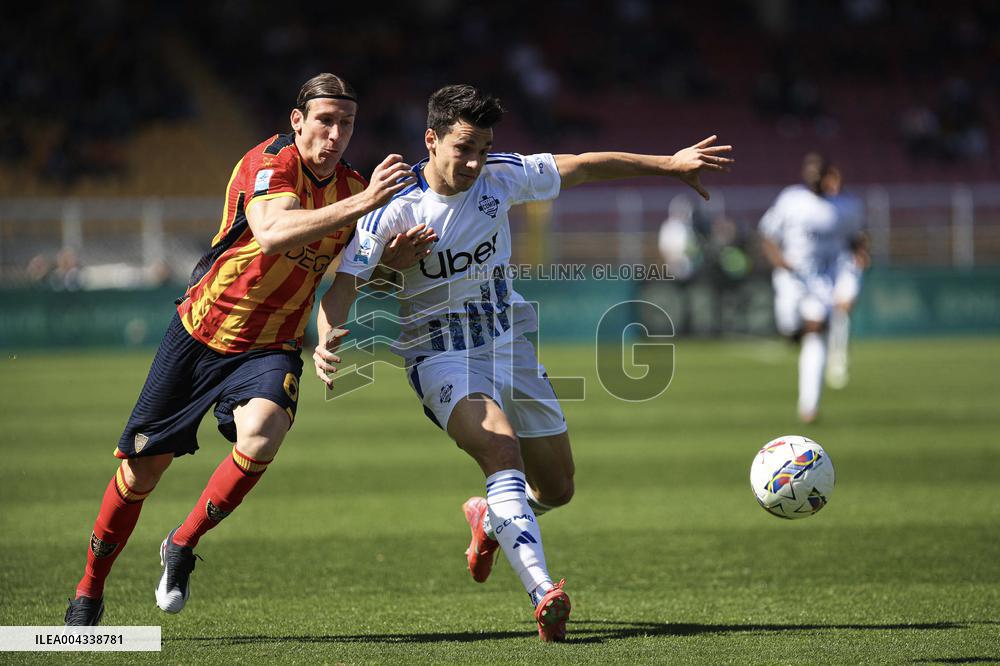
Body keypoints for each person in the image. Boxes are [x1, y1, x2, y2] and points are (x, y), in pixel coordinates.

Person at [312, 84, 733, 642]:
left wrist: (670, 164)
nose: (474, 162)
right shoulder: (392, 204)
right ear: (431, 140)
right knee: (501, 449)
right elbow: (344, 284)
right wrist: (327, 336)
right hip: (440, 354)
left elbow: (583, 165)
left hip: (509, 345)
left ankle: (491, 518)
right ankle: (544, 593)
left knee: (557, 489)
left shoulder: (500, 176)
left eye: (483, 148)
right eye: (463, 148)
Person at [64, 73, 436, 626]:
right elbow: (272, 232)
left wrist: (389, 265)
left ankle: (182, 542)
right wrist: (366, 203)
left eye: (347, 123)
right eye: (325, 121)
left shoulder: (354, 188)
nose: (336, 134)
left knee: (262, 432)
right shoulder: (271, 162)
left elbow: (347, 276)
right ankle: (89, 592)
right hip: (201, 333)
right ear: (297, 121)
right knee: (142, 474)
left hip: (272, 345)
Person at [759, 154, 866, 423]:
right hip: (791, 278)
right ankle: (792, 334)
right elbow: (767, 235)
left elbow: (856, 240)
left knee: (816, 330)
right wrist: (779, 261)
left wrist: (858, 264)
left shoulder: (846, 207)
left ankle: (809, 406)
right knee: (791, 330)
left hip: (821, 281)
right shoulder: (791, 200)